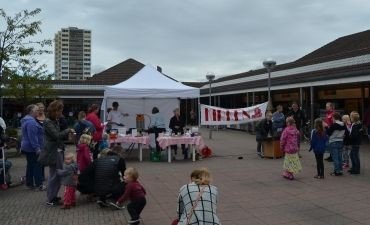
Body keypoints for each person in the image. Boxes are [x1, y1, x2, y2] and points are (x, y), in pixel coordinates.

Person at [37, 100, 75, 206]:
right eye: (60, 110)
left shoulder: (54, 120)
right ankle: (50, 198)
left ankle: (53, 196)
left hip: (57, 150)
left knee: (56, 175)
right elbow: (57, 136)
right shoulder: (48, 122)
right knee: (55, 175)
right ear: (55, 110)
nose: (61, 113)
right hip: (53, 152)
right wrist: (68, 130)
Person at [21, 104, 45, 191]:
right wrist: (37, 148)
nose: (38, 111)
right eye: (37, 110)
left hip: (27, 147)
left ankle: (29, 183)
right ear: (32, 111)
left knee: (30, 165)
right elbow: (33, 137)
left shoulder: (26, 120)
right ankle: (39, 185)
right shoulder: (31, 122)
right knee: (37, 165)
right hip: (32, 148)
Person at [326, 112, 346, 176]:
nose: (332, 119)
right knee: (340, 157)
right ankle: (340, 170)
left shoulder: (334, 125)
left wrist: (326, 127)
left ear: (334, 118)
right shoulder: (343, 124)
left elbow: (328, 133)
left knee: (335, 158)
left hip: (334, 141)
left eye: (332, 118)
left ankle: (336, 171)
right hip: (340, 141)